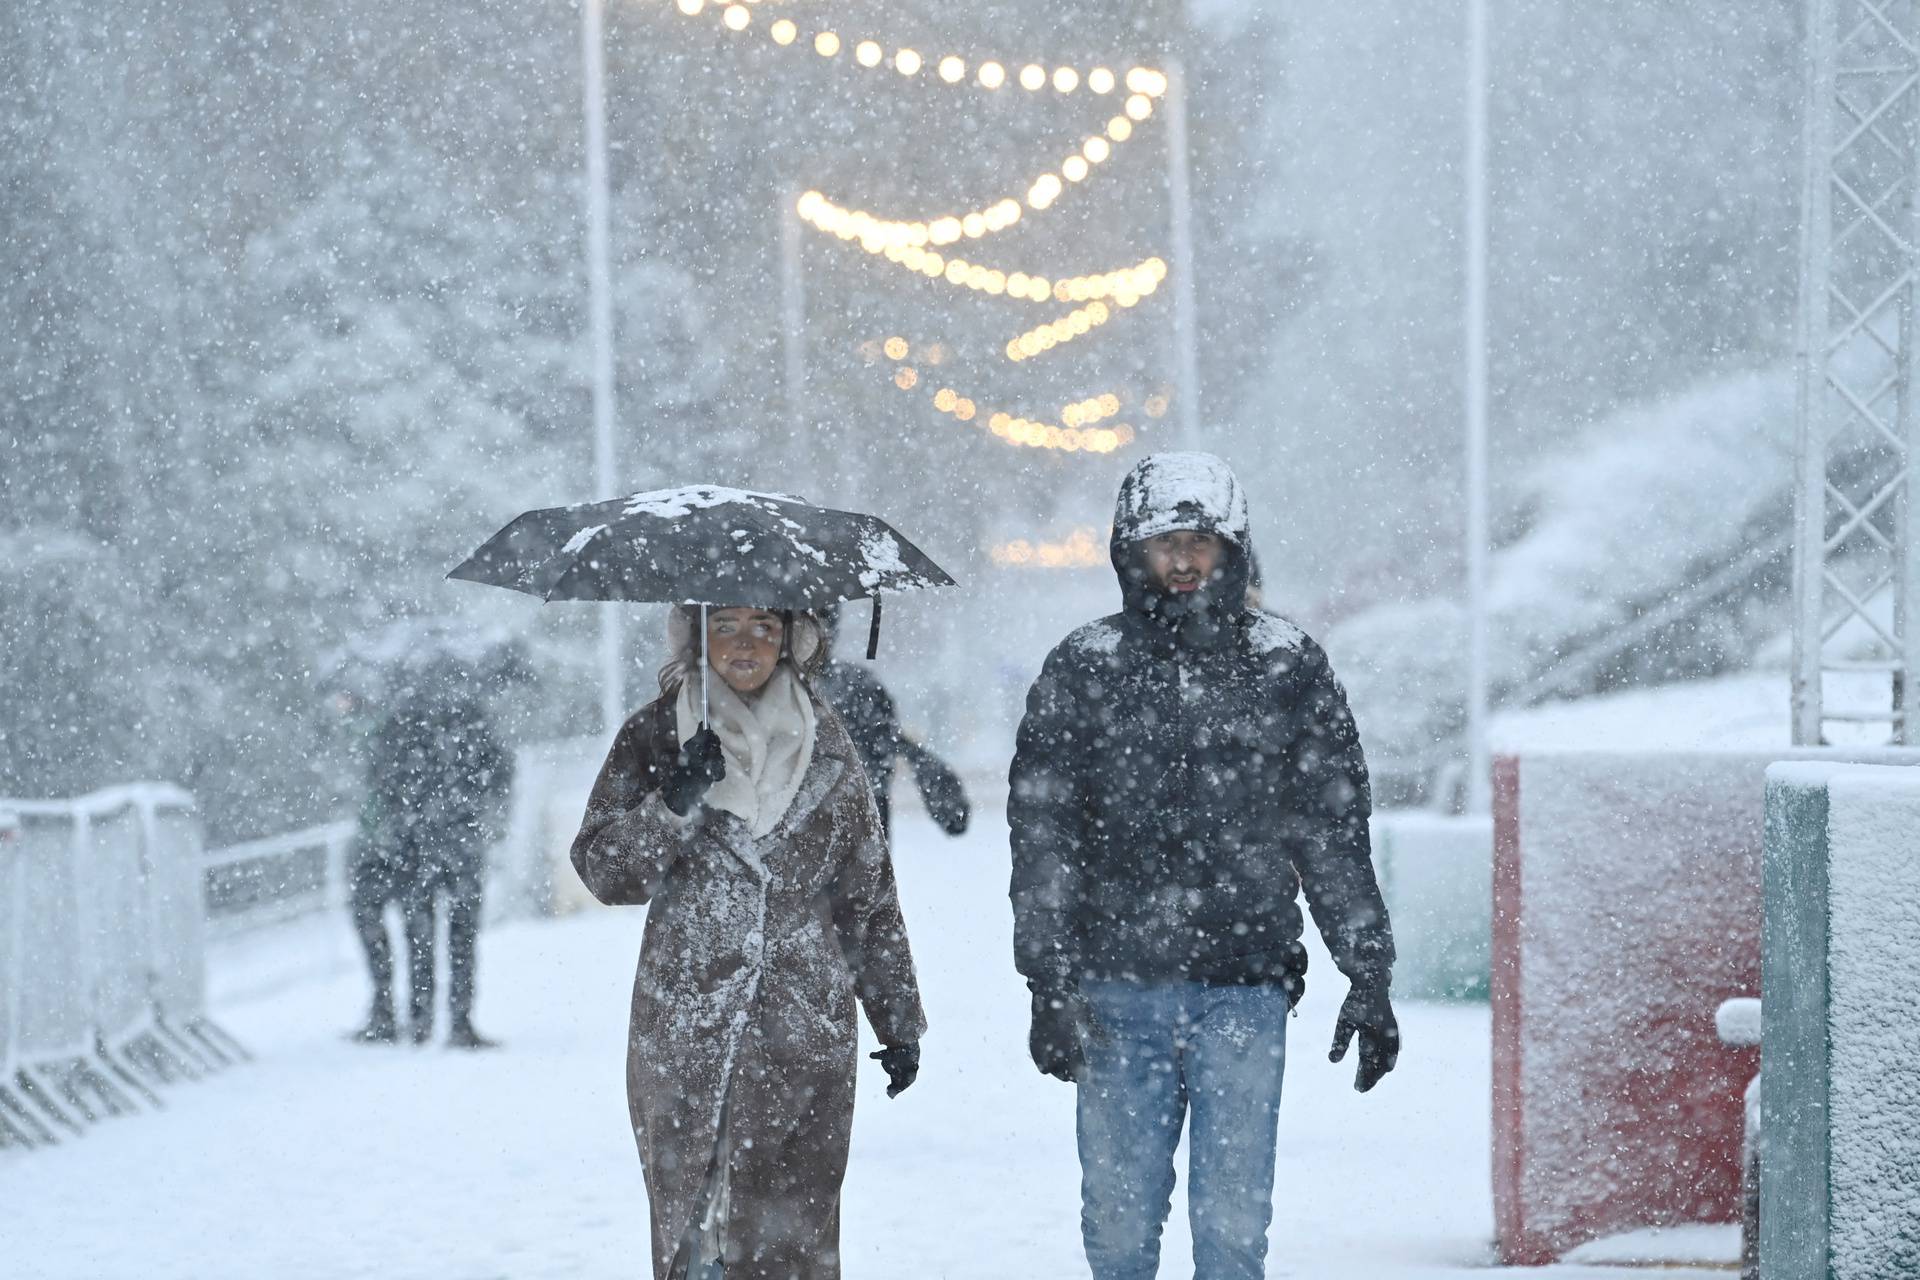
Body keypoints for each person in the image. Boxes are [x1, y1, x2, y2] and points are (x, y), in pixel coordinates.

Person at [1008, 452, 1399, 1280]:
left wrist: (1368, 973)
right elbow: (1044, 837)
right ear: (1130, 552)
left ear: (1233, 550)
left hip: (1244, 989)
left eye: (1201, 542)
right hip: (1115, 990)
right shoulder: (1084, 667)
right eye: (1164, 544)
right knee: (1117, 1234)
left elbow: (1331, 830)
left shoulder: (1288, 665)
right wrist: (1047, 981)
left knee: (1232, 1232)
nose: (1184, 561)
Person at [571, 603, 926, 1280]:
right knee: (696, 1237)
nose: (745, 643)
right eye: (726, 625)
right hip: (686, 1027)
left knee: (792, 1240)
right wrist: (673, 803)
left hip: (803, 1033)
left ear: (792, 639)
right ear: (698, 636)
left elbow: (868, 893)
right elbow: (604, 872)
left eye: (764, 626)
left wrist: (897, 1017)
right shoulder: (654, 733)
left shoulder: (829, 741)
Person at [352, 666, 512, 1048]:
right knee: (462, 937)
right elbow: (500, 771)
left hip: (415, 848)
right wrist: (476, 808)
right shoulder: (471, 719)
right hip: (460, 844)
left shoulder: (398, 723)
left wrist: (406, 819)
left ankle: (421, 1019)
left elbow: (379, 779)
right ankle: (459, 1022)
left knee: (419, 935)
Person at [815, 605, 971, 842]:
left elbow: (889, 741)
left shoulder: (856, 686)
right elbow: (891, 742)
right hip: (859, 830)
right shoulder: (856, 685)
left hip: (856, 831)